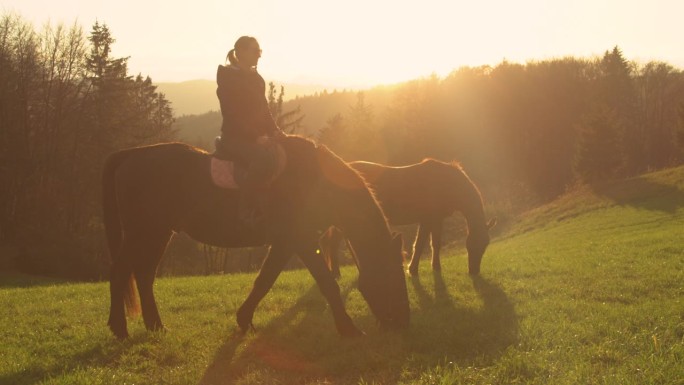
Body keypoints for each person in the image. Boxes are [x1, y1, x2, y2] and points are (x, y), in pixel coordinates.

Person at [214, 36, 285, 225]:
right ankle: (246, 210)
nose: (259, 56)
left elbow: (264, 109)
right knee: (262, 159)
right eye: (256, 51)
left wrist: (275, 131)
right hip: (235, 138)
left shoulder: (256, 78)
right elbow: (232, 113)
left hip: (256, 137)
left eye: (259, 51)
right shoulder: (228, 77)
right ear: (241, 52)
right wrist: (256, 138)